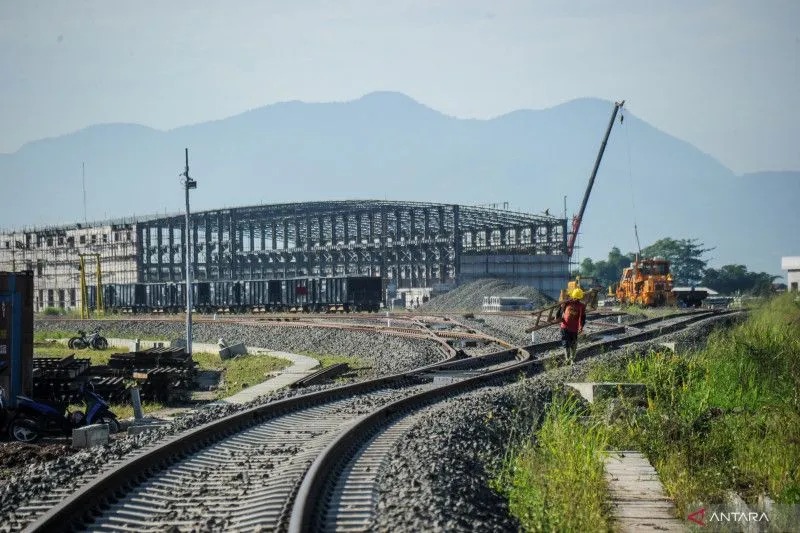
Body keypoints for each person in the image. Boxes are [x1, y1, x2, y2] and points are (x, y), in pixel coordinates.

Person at [557, 287, 587, 364]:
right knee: (566, 343)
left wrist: (581, 327)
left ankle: (572, 359)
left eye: (577, 298)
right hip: (565, 327)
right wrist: (558, 318)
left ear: (579, 298)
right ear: (573, 296)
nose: (576, 299)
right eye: (575, 298)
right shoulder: (567, 303)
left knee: (573, 344)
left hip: (574, 328)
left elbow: (582, 318)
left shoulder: (581, 306)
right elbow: (560, 310)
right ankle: (567, 359)